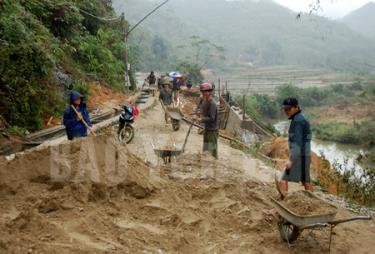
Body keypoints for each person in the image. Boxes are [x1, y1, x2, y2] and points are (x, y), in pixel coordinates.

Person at [280, 97, 313, 194]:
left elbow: (297, 144)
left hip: (299, 156)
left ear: (296, 107)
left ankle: (282, 204)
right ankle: (314, 202)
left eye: (289, 109)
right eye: (285, 109)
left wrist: (291, 160)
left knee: (283, 179)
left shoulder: (298, 121)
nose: (286, 111)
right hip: (305, 155)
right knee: (305, 181)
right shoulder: (300, 118)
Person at [198, 83, 219, 159]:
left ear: (210, 92)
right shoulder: (205, 102)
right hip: (207, 129)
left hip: (212, 130)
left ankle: (215, 165)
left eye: (208, 91)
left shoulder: (212, 104)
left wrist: (201, 119)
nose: (206, 93)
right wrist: (199, 116)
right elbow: (203, 113)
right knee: (206, 148)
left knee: (212, 150)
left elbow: (212, 118)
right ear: (202, 93)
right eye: (204, 91)